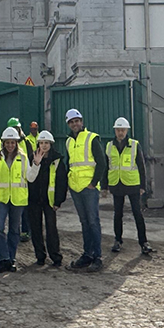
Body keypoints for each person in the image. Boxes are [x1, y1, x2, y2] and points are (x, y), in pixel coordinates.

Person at [64, 108, 108, 272]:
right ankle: (87, 254)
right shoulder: (69, 142)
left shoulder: (91, 138)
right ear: (69, 124)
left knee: (93, 221)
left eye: (77, 121)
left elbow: (102, 163)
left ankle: (97, 257)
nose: (75, 124)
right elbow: (69, 164)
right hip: (75, 188)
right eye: (72, 122)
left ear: (81, 122)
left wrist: (94, 183)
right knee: (84, 222)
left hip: (89, 188)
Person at [0, 127, 35, 273]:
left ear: (16, 143)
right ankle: (4, 258)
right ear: (3, 143)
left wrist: (36, 164)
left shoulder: (24, 158)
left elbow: (31, 177)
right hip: (0, 198)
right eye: (7, 142)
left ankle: (10, 259)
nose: (10, 145)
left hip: (18, 199)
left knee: (14, 230)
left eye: (12, 142)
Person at [107, 117, 155, 256]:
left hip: (133, 185)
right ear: (115, 131)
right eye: (118, 130)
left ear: (127, 130)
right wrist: (105, 186)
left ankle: (143, 242)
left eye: (122, 130)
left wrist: (142, 186)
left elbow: (141, 166)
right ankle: (117, 240)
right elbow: (106, 166)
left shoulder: (134, 145)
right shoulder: (109, 146)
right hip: (117, 184)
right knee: (118, 214)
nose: (120, 132)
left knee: (137, 214)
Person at [27, 130, 68, 267]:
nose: (44, 146)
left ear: (51, 144)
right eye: (41, 143)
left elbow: (62, 183)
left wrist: (58, 201)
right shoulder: (31, 158)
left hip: (49, 201)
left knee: (51, 229)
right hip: (33, 200)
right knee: (35, 229)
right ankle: (40, 256)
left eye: (46, 143)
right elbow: (28, 178)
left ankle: (56, 257)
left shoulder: (57, 160)